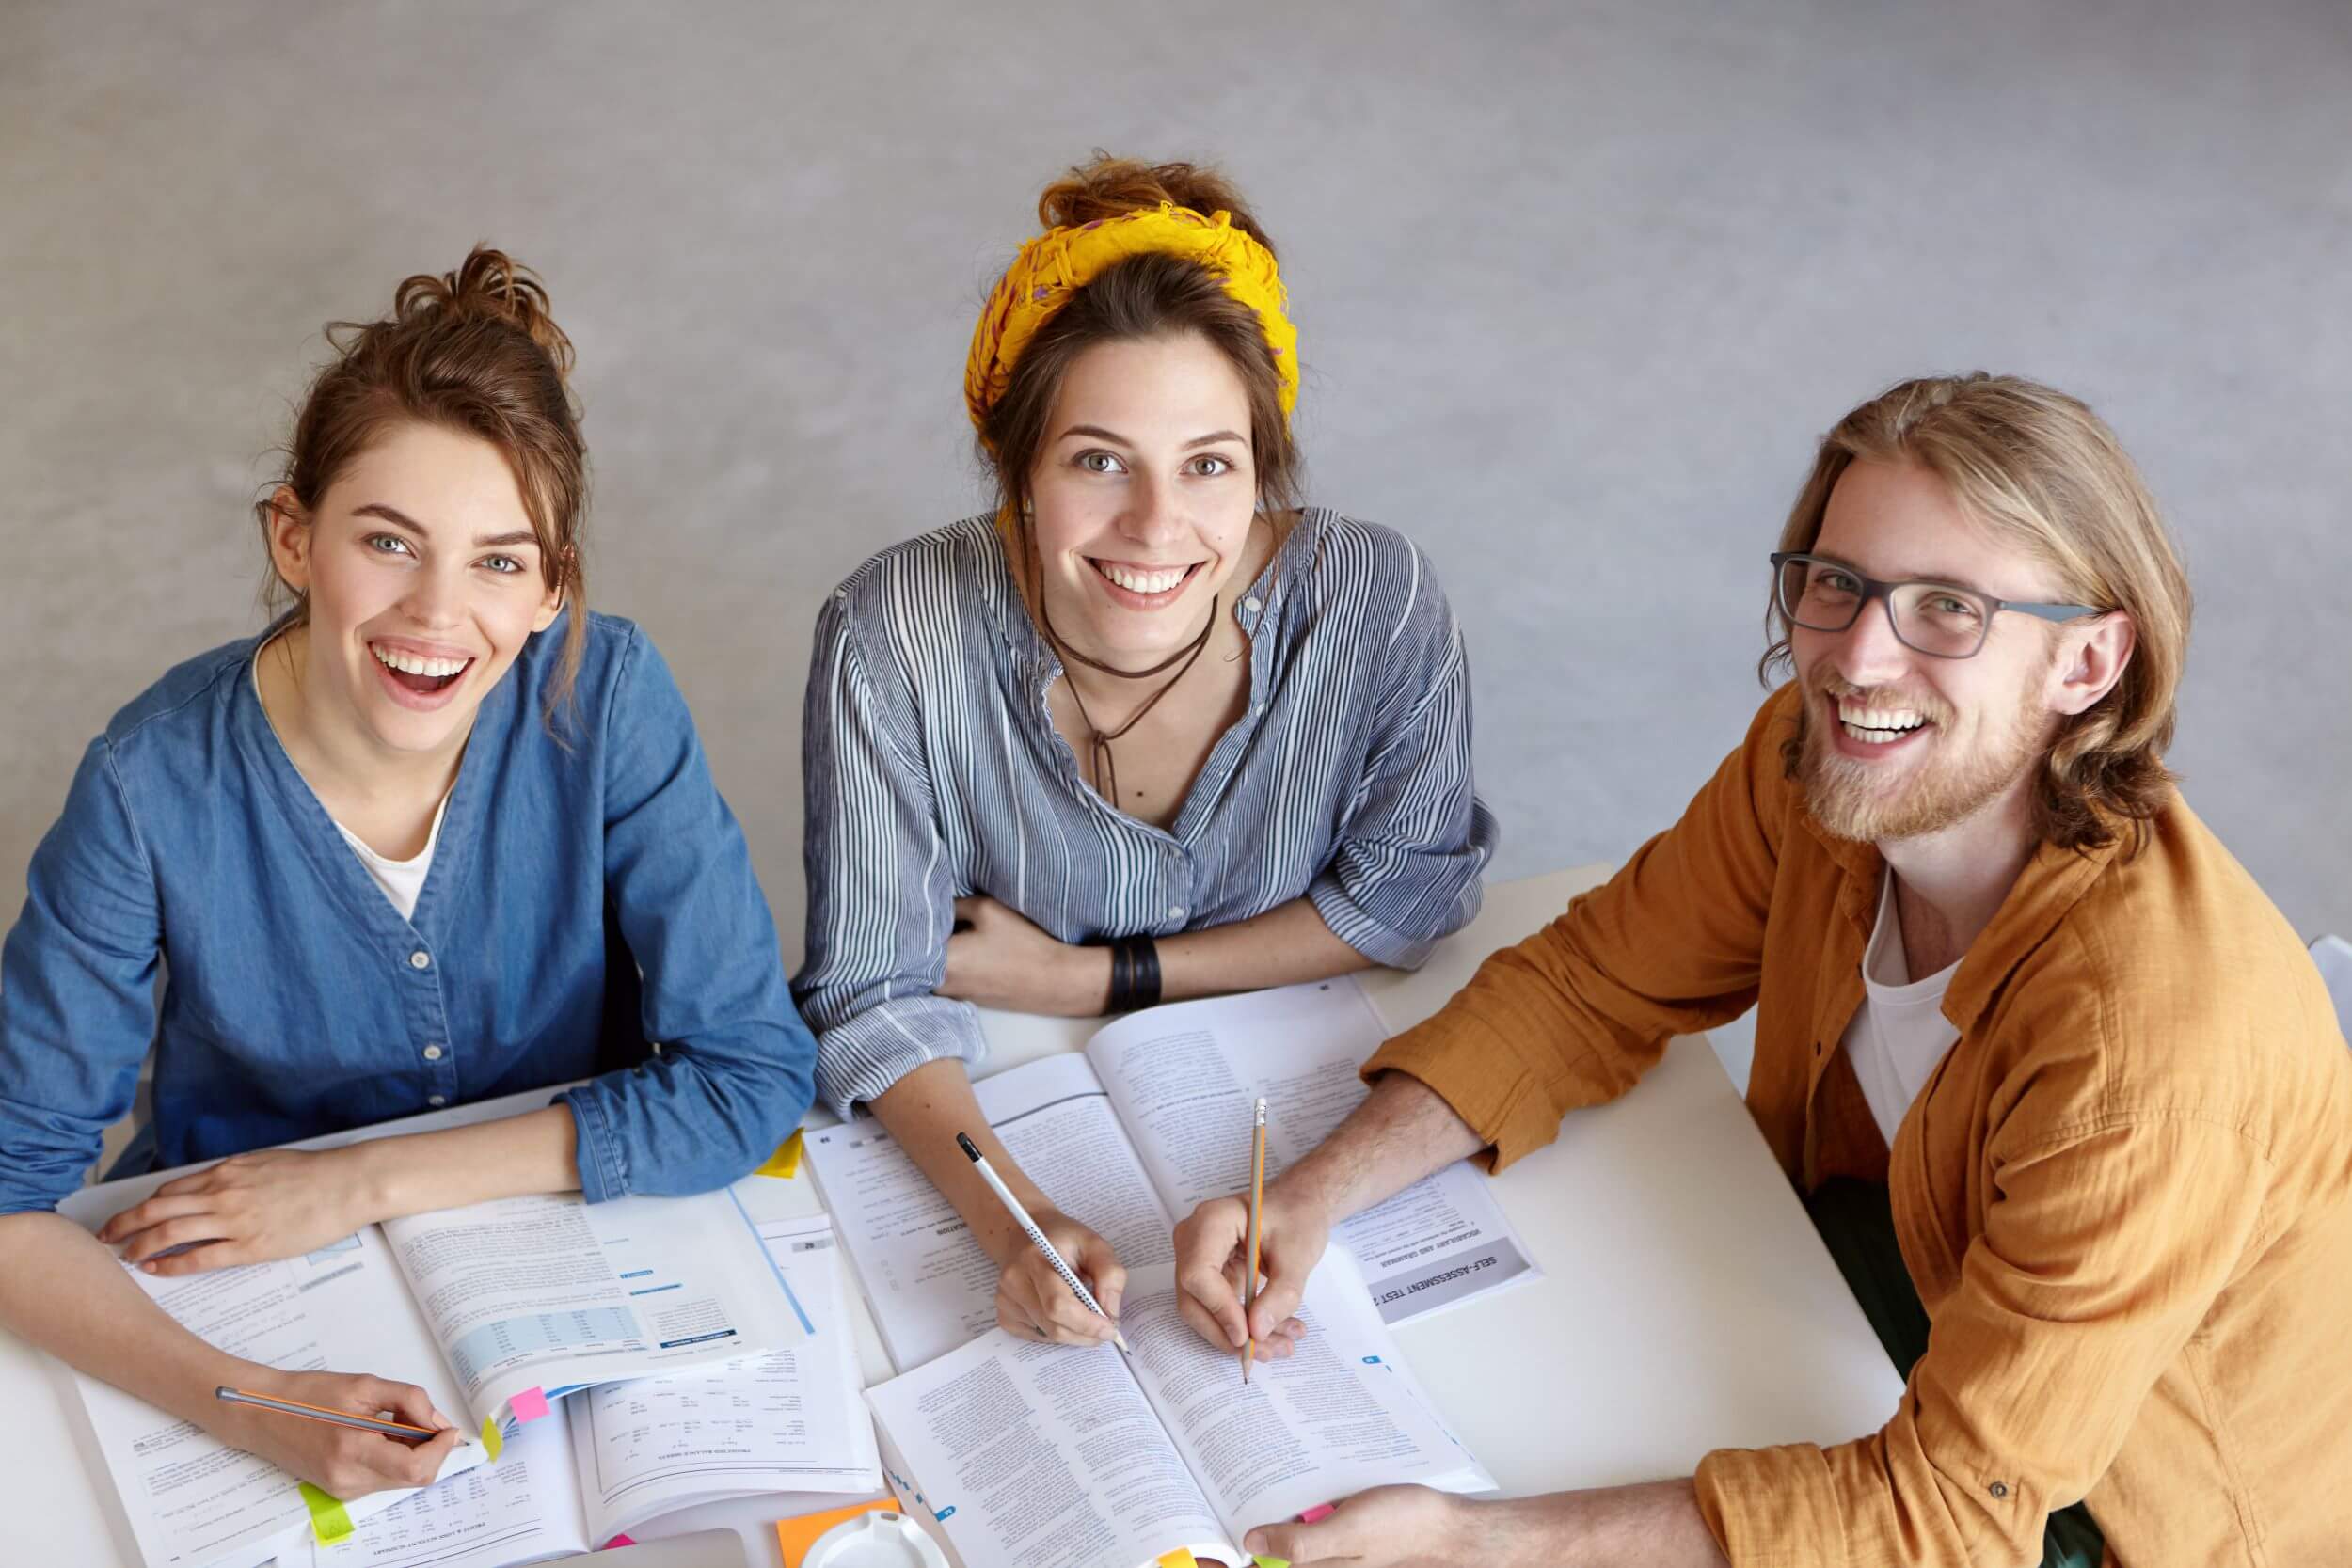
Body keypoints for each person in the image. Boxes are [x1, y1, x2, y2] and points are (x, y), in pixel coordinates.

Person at [1172, 374, 2352, 1566]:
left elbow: (1951, 1515)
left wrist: (1474, 1539)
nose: (1856, 660)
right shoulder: (1816, 765)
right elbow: (1593, 982)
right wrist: (1314, 1193)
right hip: (1897, 1278)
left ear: (2087, 664)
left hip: (2122, 1511)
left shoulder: (2145, 1057)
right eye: (1837, 584)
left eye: (1947, 607)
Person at [0, 248, 816, 1501]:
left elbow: (752, 1072)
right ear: (295, 535)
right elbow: (6, 1193)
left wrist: (364, 1179)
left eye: (499, 560)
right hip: (242, 1287)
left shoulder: (610, 695)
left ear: (552, 589)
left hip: (554, 1259)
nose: (438, 616)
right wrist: (248, 1403)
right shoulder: (147, 783)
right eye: (389, 541)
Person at [795, 155, 1497, 1354]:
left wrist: (1095, 978)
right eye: (1097, 460)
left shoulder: (1375, 598)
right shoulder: (891, 630)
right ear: (1017, 466)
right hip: (1024, 1097)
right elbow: (873, 994)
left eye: (1208, 465)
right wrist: (1015, 1224)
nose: (1157, 527)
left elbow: (1410, 893)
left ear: (1262, 468)